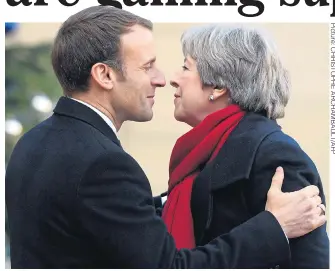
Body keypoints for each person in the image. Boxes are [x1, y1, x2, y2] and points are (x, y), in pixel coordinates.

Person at [5, 7, 326, 269]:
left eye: (184, 67)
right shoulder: (103, 164)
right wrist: (274, 227)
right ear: (104, 75)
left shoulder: (31, 143)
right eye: (148, 67)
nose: (164, 79)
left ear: (219, 86)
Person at [158, 24, 329, 268]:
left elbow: (308, 262)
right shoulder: (207, 149)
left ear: (218, 87)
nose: (173, 79)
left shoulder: (275, 154)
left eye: (186, 67)